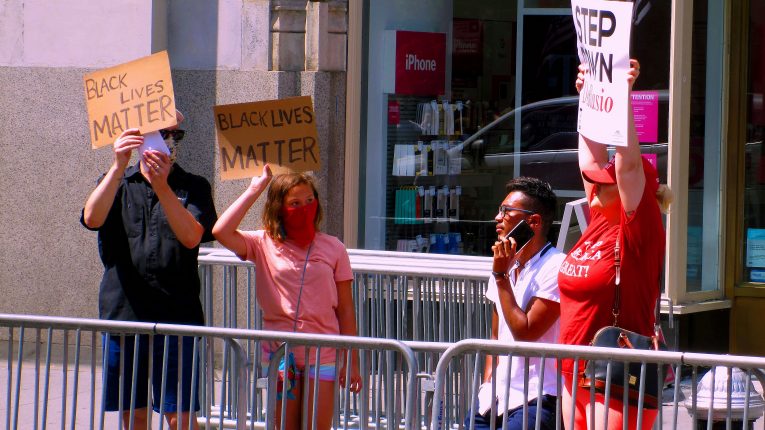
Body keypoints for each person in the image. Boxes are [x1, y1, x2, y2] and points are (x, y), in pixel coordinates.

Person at [81, 111, 217, 430]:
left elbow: (191, 236)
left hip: (177, 316)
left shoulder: (193, 186)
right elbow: (92, 218)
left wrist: (163, 187)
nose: (170, 142)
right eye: (163, 134)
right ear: (141, 139)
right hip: (126, 313)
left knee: (180, 416)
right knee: (134, 413)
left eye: (175, 135)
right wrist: (118, 166)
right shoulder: (116, 183)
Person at [557, 60, 673, 430]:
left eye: (603, 184)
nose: (593, 187)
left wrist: (621, 96)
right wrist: (590, 98)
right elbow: (591, 158)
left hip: (618, 374)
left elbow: (628, 167)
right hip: (574, 370)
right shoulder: (599, 218)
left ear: (624, 191)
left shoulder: (638, 228)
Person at [212, 164, 362, 430]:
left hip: (323, 353)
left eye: (310, 200)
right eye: (295, 203)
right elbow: (221, 232)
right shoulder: (262, 242)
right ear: (279, 208)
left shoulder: (334, 247)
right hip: (280, 354)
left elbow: (346, 309)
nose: (304, 208)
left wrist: (352, 362)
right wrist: (255, 189)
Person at [466, 177, 565, 430]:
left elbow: (525, 332)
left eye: (506, 211)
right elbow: (496, 334)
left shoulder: (556, 266)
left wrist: (501, 277)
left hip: (538, 396)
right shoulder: (504, 264)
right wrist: (487, 383)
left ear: (533, 222)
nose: (497, 218)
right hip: (494, 397)